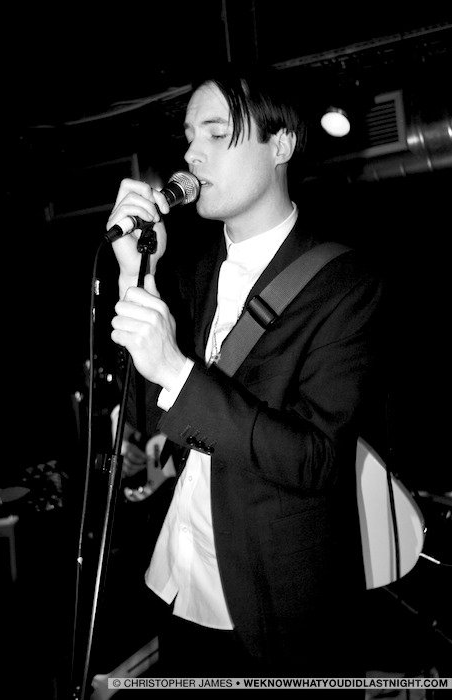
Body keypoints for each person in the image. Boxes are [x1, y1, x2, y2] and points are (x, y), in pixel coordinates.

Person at [106, 63, 386, 678]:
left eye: (215, 132)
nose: (191, 153)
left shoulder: (345, 285)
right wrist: (135, 273)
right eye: (189, 136)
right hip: (181, 583)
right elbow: (153, 413)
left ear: (280, 145)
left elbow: (316, 458)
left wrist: (177, 371)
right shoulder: (192, 272)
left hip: (274, 615)